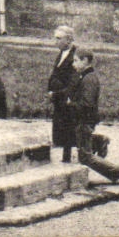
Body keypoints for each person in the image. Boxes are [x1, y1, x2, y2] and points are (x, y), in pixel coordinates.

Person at [68, 48, 119, 196]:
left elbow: (87, 104)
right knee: (78, 147)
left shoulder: (89, 79)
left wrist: (70, 104)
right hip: (83, 120)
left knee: (85, 157)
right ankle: (99, 142)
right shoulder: (85, 76)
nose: (73, 64)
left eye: (76, 60)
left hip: (84, 121)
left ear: (85, 60)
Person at [45, 24, 78, 161]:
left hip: (67, 98)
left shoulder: (75, 57)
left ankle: (98, 142)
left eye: (59, 38)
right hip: (59, 98)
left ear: (69, 40)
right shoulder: (61, 54)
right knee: (62, 128)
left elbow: (73, 83)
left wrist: (56, 93)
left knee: (70, 129)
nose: (55, 41)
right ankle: (66, 156)